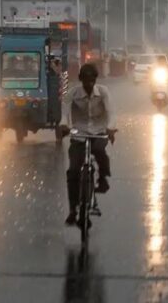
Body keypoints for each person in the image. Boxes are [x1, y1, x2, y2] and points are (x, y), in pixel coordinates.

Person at [59, 63, 117, 227]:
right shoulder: (73, 93)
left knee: (99, 150)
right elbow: (64, 112)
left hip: (99, 131)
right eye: (86, 81)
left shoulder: (103, 92)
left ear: (95, 80)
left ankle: (103, 178)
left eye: (92, 81)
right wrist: (64, 125)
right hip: (79, 133)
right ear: (80, 80)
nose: (89, 85)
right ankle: (72, 210)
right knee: (73, 171)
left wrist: (110, 128)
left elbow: (111, 112)